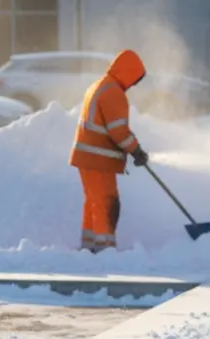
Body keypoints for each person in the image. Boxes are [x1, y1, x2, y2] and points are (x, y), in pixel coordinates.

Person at [70, 49, 149, 253]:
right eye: (135, 80)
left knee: (94, 201)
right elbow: (118, 131)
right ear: (129, 73)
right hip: (98, 159)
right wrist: (136, 150)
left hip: (87, 157)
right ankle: (105, 250)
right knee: (106, 203)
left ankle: (89, 247)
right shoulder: (113, 93)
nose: (133, 85)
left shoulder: (99, 85)